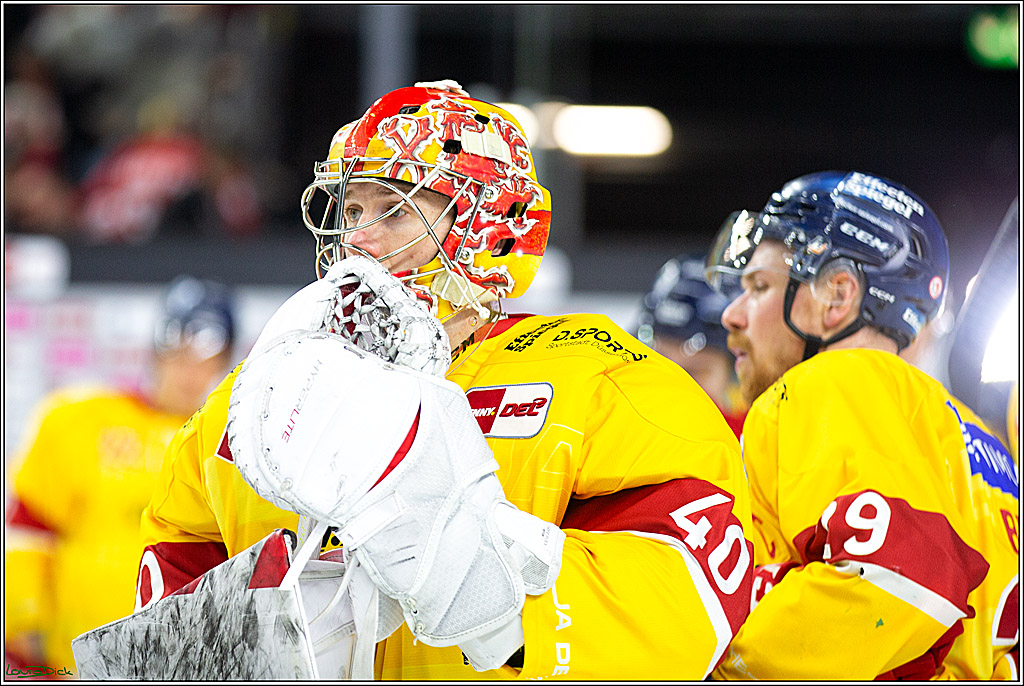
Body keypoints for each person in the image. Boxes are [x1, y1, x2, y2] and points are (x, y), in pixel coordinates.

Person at [128, 80, 753, 680]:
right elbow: (180, 544)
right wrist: (238, 645)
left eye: (394, 210)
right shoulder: (257, 395)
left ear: (487, 227)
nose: (358, 241)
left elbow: (691, 599)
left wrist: (494, 605)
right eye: (351, 209)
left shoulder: (604, 380)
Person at [703, 171, 1019, 680]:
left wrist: (716, 665)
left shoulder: (829, 383)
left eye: (759, 286)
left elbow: (901, 576)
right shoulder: (970, 435)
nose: (732, 315)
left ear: (838, 296)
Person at [4, 275, 237, 674]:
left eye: (204, 358)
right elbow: (30, 526)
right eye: (177, 352)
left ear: (224, 363)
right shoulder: (79, 420)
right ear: (155, 352)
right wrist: (23, 621)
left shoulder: (227, 448)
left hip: (173, 664)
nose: (188, 372)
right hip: (66, 660)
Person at [637, 249, 748, 437]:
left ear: (734, 378)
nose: (674, 388)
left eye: (693, 374)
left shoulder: (759, 446)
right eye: (660, 367)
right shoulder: (611, 426)